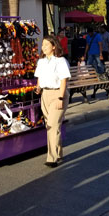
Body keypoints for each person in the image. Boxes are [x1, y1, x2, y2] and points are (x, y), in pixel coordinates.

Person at [34, 36, 70, 168]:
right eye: (42, 45)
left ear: (54, 46)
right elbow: (39, 77)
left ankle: (52, 157)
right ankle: (58, 152)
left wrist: (60, 97)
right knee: (54, 126)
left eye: (46, 45)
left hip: (57, 94)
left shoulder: (60, 61)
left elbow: (63, 80)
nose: (43, 47)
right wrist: (38, 87)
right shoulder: (41, 62)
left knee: (51, 125)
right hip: (45, 94)